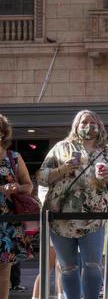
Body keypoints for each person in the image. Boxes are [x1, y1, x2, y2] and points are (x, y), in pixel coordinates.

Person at [37, 110, 108, 299]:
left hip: (93, 218)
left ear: (100, 127)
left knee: (93, 265)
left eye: (93, 122)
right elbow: (42, 177)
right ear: (76, 126)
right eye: (84, 122)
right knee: (68, 267)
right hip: (61, 218)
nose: (88, 125)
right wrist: (63, 168)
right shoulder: (61, 148)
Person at [0, 115, 33, 299]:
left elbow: (28, 185)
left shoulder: (14, 157)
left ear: (3, 134)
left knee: (4, 275)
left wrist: (17, 188)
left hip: (7, 225)